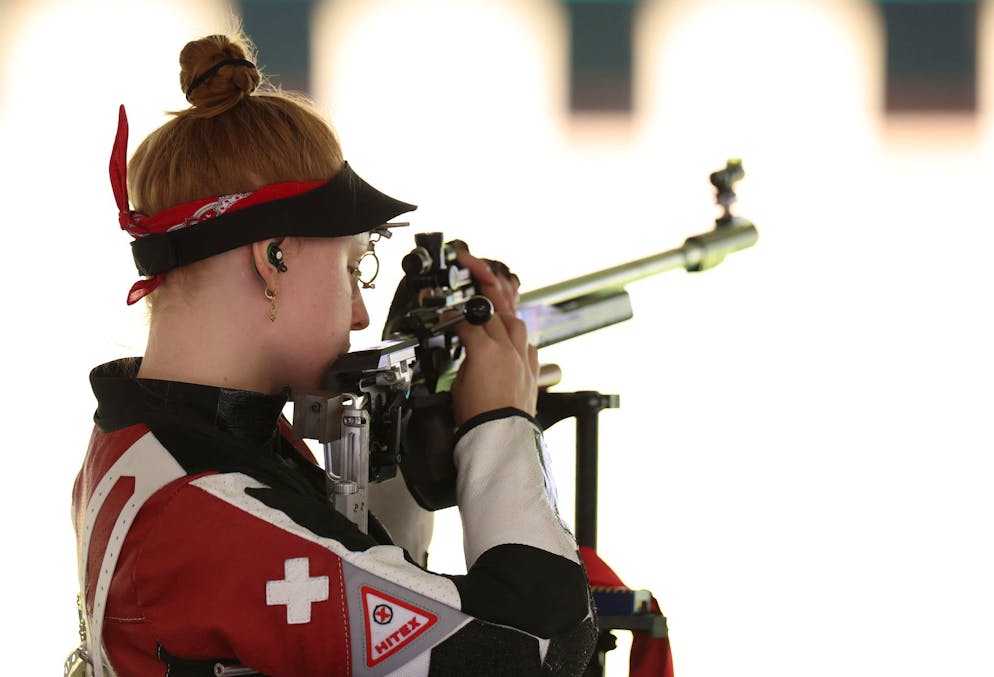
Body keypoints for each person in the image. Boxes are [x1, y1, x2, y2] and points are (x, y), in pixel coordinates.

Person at [70, 32, 595, 677]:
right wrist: (501, 423)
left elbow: (345, 575)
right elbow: (540, 645)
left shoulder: (157, 440)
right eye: (353, 267)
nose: (360, 314)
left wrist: (414, 427)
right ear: (274, 258)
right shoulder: (206, 504)